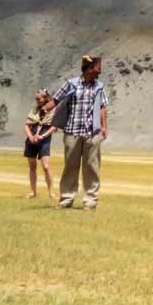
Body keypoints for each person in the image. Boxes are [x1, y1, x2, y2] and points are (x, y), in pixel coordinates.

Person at [46, 54, 109, 210]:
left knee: (92, 167)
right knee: (70, 166)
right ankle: (66, 199)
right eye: (97, 69)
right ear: (88, 69)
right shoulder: (71, 84)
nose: (99, 73)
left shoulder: (99, 87)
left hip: (92, 133)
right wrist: (43, 110)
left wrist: (103, 127)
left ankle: (90, 200)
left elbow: (102, 107)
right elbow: (55, 100)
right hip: (72, 131)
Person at [23, 89, 58, 199]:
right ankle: (33, 192)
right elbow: (27, 125)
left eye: (39, 98)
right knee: (32, 167)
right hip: (31, 140)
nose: (37, 100)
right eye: (36, 98)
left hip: (44, 140)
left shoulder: (53, 111)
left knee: (46, 166)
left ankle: (51, 192)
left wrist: (42, 136)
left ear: (45, 98)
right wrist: (30, 137)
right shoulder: (34, 110)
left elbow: (54, 127)